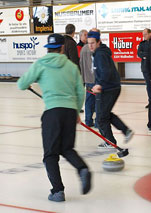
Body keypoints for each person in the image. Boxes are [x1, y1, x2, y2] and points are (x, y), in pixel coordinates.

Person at [17, 34, 91, 202]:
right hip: (70, 112)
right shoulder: (71, 67)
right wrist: (77, 111)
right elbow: (80, 91)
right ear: (62, 48)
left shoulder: (41, 64)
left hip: (52, 113)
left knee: (50, 155)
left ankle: (58, 191)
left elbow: (21, 84)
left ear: (47, 48)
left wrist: (28, 82)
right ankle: (82, 168)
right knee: (67, 149)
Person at [87, 31, 134, 148]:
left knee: (101, 117)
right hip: (110, 87)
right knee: (104, 114)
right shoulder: (99, 52)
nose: (90, 46)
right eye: (89, 43)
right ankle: (124, 131)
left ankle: (110, 141)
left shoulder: (100, 54)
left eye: (93, 43)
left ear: (98, 42)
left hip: (109, 88)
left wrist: (99, 85)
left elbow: (105, 72)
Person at [80, 29, 99, 127]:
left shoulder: (83, 48)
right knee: (97, 101)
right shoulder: (96, 48)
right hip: (96, 79)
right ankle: (97, 122)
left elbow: (81, 64)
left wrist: (83, 78)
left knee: (88, 101)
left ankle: (88, 121)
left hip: (87, 79)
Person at [137, 28, 151, 108]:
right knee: (149, 86)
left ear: (150, 34)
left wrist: (145, 55)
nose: (144, 36)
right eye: (143, 35)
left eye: (145, 34)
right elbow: (139, 54)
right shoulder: (142, 44)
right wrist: (146, 55)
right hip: (145, 68)